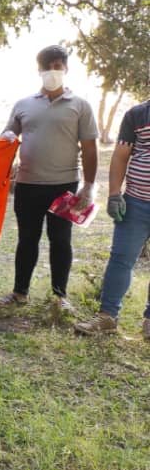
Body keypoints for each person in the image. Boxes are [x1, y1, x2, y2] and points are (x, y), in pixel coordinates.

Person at [0, 46, 97, 319]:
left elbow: (89, 147)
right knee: (27, 238)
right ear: (39, 71)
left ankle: (60, 295)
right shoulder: (23, 104)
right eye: (48, 67)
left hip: (64, 187)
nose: (54, 71)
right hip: (27, 184)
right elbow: (10, 132)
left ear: (66, 69)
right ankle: (19, 292)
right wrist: (5, 135)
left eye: (59, 66)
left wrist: (89, 185)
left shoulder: (80, 105)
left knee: (61, 240)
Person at [75, 99, 150, 339]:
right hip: (136, 203)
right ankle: (107, 316)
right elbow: (120, 156)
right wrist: (115, 194)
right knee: (121, 259)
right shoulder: (137, 115)